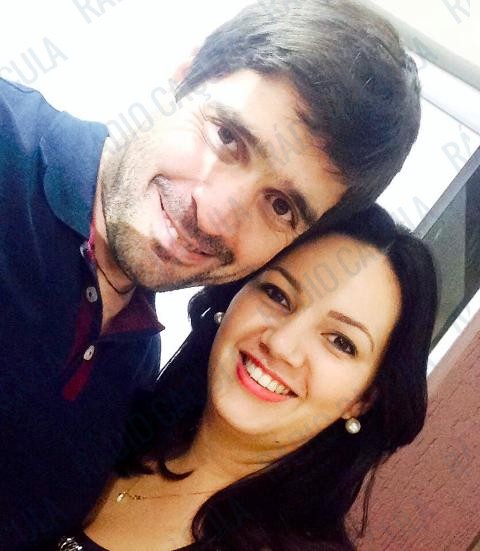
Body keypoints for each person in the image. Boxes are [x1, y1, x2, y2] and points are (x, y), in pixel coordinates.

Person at [0, 0, 421, 547]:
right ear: (187, 71)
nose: (214, 214)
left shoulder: (131, 367)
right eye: (228, 137)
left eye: (281, 206)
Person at [54, 205, 438, 550]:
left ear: (363, 399)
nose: (281, 344)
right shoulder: (110, 416)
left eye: (340, 342)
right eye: (278, 295)